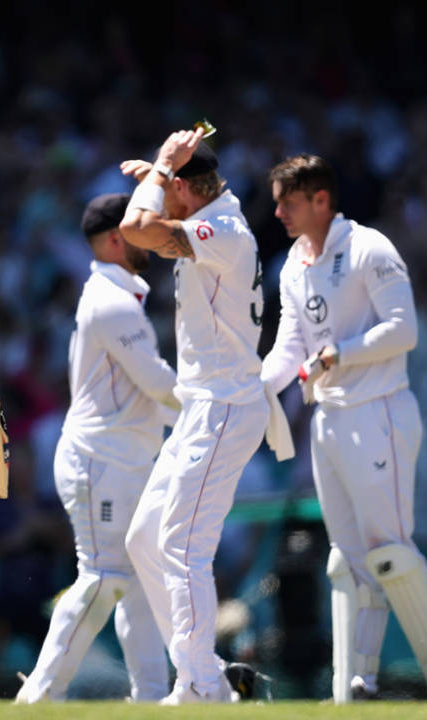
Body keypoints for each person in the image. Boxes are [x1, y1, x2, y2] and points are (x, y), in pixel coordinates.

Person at [260, 154, 427, 702]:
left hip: (379, 411)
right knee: (351, 558)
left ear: (320, 200)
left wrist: (339, 353)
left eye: (289, 202)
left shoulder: (369, 247)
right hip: (327, 419)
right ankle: (359, 685)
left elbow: (404, 330)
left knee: (389, 552)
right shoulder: (293, 265)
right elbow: (290, 346)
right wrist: (257, 388)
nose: (279, 212)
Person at [117, 128, 271, 704]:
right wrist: (160, 177)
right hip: (203, 404)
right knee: (144, 539)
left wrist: (160, 167)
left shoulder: (223, 229)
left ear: (183, 187)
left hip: (225, 405)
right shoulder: (211, 217)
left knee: (182, 546)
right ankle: (204, 672)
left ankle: (202, 684)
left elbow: (135, 230)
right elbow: (153, 220)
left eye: (170, 188)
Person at [15, 194, 176, 703]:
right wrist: (224, 407)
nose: (153, 237)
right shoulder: (111, 302)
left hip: (121, 460)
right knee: (105, 577)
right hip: (101, 462)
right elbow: (159, 383)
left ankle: (152, 698)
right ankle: (39, 696)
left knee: (136, 581)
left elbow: (151, 394)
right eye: (142, 228)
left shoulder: (120, 297)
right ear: (114, 240)